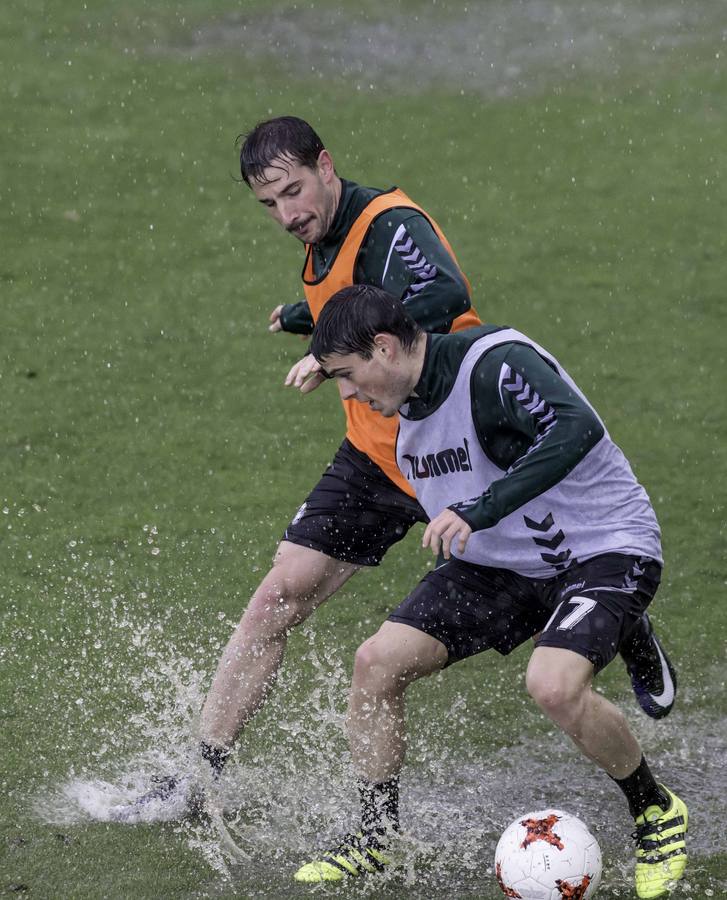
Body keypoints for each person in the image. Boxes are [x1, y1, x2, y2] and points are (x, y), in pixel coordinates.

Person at [112, 117, 674, 822]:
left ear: (326, 165)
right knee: (277, 597)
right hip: (380, 452)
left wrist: (327, 349)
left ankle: (617, 616)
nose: (288, 215)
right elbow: (353, 298)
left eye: (293, 192)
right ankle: (200, 776)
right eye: (269, 205)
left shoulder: (386, 222)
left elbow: (438, 295)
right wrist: (303, 313)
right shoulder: (320, 244)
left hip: (455, 433)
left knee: (541, 555)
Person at [294, 286, 687, 900]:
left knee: (553, 685)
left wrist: (482, 508)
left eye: (349, 375)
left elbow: (576, 427)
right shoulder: (400, 406)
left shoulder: (494, 362)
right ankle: (376, 838)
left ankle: (655, 810)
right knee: (375, 664)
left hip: (603, 547)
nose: (347, 394)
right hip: (505, 561)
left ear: (385, 348)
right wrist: (307, 326)